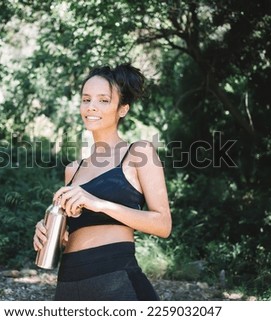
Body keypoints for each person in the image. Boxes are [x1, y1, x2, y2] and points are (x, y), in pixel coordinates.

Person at [33, 63, 172, 300]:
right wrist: (49, 233)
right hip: (69, 281)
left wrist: (99, 203)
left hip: (114, 277)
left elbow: (163, 225)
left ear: (123, 109)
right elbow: (69, 237)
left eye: (103, 100)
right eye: (86, 100)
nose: (92, 107)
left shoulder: (139, 153)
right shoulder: (73, 170)